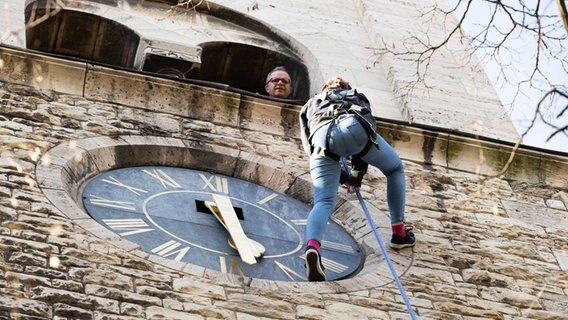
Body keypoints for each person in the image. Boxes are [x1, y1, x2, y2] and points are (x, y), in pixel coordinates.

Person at [299, 76, 416, 281]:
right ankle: (399, 232)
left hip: (320, 139)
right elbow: (368, 128)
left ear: (324, 88)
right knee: (395, 169)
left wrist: (341, 175)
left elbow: (307, 143)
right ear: (346, 87)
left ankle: (313, 247)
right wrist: (355, 176)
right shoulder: (355, 95)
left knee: (324, 201)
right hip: (352, 126)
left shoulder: (311, 104)